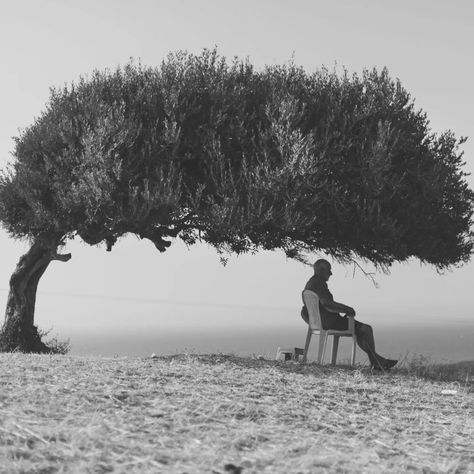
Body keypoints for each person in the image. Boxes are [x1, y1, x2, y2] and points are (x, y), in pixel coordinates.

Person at [301, 258, 397, 370]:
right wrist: (346, 309)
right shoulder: (319, 283)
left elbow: (308, 309)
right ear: (321, 271)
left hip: (322, 321)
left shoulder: (310, 283)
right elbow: (325, 302)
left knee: (360, 332)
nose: (331, 273)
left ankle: (376, 361)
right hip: (329, 322)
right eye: (329, 270)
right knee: (366, 329)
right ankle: (376, 362)